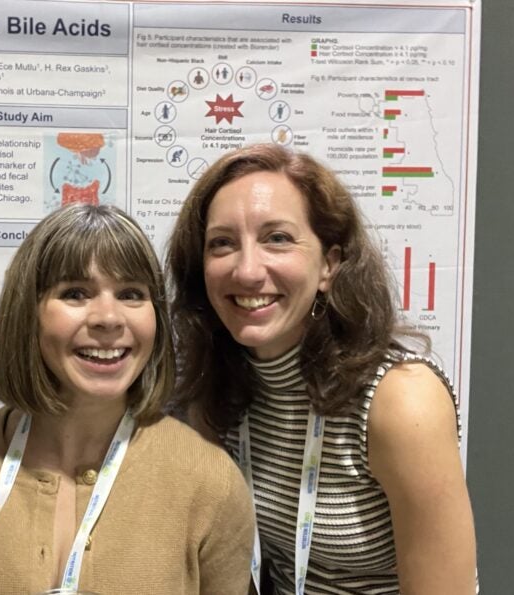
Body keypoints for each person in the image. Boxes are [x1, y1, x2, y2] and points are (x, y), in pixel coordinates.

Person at [167, 144, 477, 594]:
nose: (248, 270)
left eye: (277, 238)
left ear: (329, 265)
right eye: (222, 243)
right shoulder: (216, 389)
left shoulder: (400, 399)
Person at [0, 204, 254, 595]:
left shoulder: (209, 481)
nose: (108, 317)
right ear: (27, 313)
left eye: (131, 294)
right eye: (75, 293)